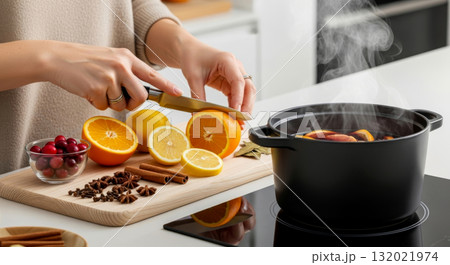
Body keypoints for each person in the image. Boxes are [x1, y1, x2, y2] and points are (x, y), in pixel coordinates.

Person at [0, 0, 256, 174]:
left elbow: (129, 6)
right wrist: (48, 58)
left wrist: (184, 45)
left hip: (96, 172)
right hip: (10, 185)